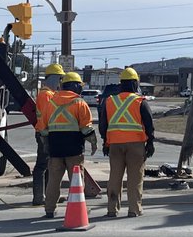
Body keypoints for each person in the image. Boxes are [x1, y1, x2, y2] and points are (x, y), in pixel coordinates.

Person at [36, 71, 97, 219]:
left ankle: (49, 210)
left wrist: (46, 145)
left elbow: (42, 129)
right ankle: (77, 209)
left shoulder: (50, 103)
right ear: (76, 86)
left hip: (55, 149)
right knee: (76, 181)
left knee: (53, 181)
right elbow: (86, 128)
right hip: (74, 150)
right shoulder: (79, 103)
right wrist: (94, 143)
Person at [100, 66, 155, 218]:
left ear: (121, 84)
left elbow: (103, 125)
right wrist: (150, 143)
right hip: (136, 145)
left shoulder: (109, 101)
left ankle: (112, 209)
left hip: (115, 146)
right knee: (135, 178)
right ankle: (134, 209)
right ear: (135, 84)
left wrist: (106, 142)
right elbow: (149, 125)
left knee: (114, 178)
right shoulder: (140, 102)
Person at [30, 62, 66, 205]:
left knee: (50, 165)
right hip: (45, 134)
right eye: (60, 78)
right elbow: (49, 115)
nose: (60, 82)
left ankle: (49, 195)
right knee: (42, 165)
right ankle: (39, 197)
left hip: (48, 133)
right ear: (54, 78)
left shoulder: (50, 94)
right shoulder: (45, 95)